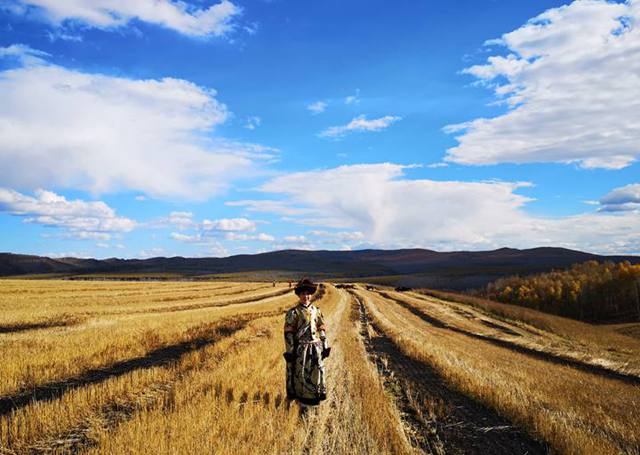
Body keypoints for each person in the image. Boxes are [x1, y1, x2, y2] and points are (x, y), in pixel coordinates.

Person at [283, 277, 330, 405]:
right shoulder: (293, 313)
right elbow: (288, 334)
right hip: (300, 350)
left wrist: (325, 345)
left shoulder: (317, 311)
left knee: (316, 373)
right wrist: (290, 351)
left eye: (308, 293)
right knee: (301, 375)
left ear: (311, 294)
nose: (306, 296)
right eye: (303, 294)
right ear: (299, 295)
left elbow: (322, 328)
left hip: (316, 348)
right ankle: (302, 402)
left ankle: (314, 399)